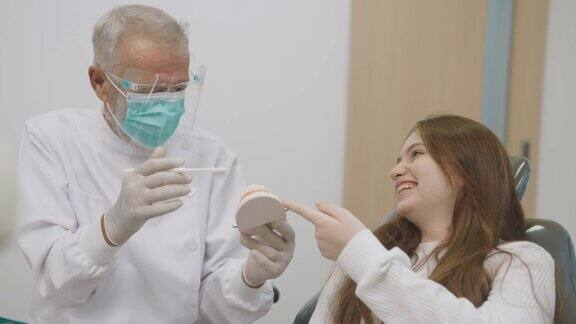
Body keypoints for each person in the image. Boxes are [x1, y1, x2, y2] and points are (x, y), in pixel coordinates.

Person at [17, 5, 295, 323]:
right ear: (99, 82)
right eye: (149, 91)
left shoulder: (211, 156)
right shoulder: (52, 141)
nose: (166, 103)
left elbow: (215, 309)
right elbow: (55, 283)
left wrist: (251, 277)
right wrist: (112, 227)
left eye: (176, 90)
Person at [286, 115, 558, 323]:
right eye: (397, 160)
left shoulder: (522, 260)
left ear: (466, 170)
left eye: (416, 154)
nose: (395, 171)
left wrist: (362, 258)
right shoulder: (368, 254)